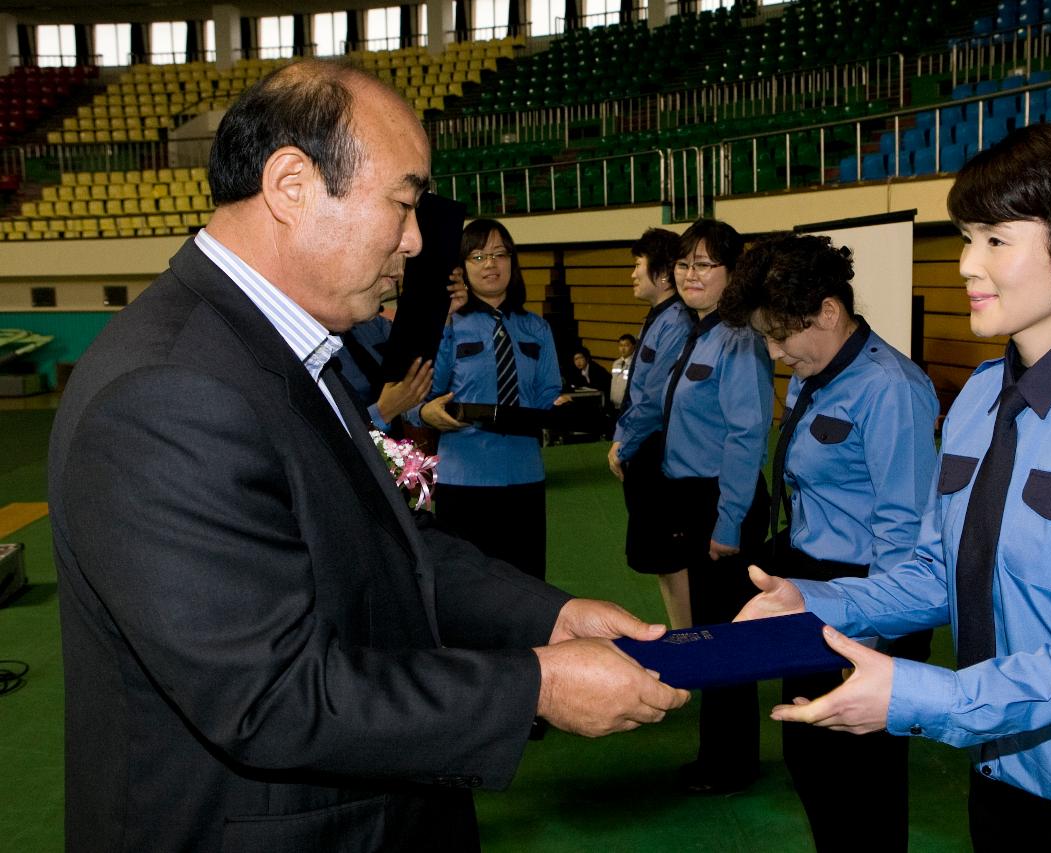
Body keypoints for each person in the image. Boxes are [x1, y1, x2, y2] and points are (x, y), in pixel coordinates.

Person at [47, 60, 687, 853]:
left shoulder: (277, 347)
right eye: (405, 203)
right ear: (291, 185)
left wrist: (549, 617)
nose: (417, 241)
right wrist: (539, 684)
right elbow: (273, 696)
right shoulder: (170, 391)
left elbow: (387, 545)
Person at [739, 123, 1051, 850]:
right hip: (999, 780)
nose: (964, 263)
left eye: (995, 239)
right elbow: (942, 571)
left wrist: (922, 696)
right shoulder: (977, 401)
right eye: (966, 237)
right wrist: (819, 601)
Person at [719, 233, 938, 851]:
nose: (774, 349)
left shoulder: (890, 387)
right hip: (814, 588)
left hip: (870, 597)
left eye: (781, 334)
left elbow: (905, 529)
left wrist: (861, 642)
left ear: (830, 312)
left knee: (860, 781)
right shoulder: (821, 372)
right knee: (813, 763)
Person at [662, 218, 773, 794]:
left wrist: (727, 521)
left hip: (723, 503)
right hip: (694, 500)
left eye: (705, 264)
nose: (690, 274)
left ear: (733, 275)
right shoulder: (697, 332)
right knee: (712, 632)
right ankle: (719, 755)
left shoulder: (740, 339)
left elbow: (746, 435)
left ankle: (731, 764)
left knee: (728, 639)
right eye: (684, 264)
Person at [422, 218, 564, 581]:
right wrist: (425, 411)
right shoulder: (448, 325)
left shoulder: (537, 327)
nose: (491, 264)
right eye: (478, 255)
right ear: (462, 267)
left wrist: (562, 412)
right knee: (468, 587)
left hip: (525, 476)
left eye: (500, 254)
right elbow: (422, 393)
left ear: (513, 262)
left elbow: (549, 394)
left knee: (529, 581)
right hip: (463, 480)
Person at [607, 227, 694, 629]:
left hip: (660, 453)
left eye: (637, 265)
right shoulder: (660, 317)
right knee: (664, 563)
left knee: (673, 562)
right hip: (646, 449)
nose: (631, 275)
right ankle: (685, 636)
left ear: (661, 275)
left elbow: (654, 399)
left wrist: (623, 444)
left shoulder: (676, 321)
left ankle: (689, 640)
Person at [334, 308, 434, 433]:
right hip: (363, 441)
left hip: (405, 433)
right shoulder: (316, 355)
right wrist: (382, 412)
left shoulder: (374, 323)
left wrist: (421, 412)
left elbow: (410, 381)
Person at [609, 333, 636, 411]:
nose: (623, 349)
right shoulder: (616, 363)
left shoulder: (635, 364)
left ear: (634, 346)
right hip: (614, 405)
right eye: (621, 345)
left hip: (628, 406)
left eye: (626, 346)